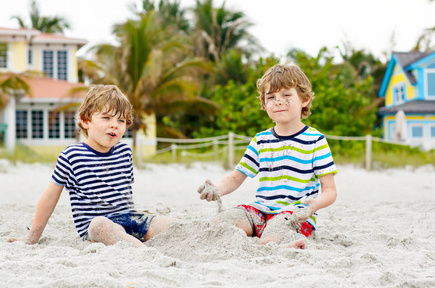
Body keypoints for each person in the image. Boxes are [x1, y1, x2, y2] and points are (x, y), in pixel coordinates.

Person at [7, 85, 171, 248]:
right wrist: (32, 237)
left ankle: (134, 240)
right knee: (99, 225)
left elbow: (125, 195)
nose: (114, 124)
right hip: (99, 227)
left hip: (130, 218)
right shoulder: (72, 156)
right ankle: (141, 250)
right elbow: (50, 197)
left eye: (121, 120)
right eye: (106, 118)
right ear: (85, 121)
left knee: (166, 224)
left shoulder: (125, 151)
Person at [198, 64, 337, 249]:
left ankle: (286, 247)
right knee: (219, 224)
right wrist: (216, 189)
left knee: (270, 239)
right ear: (264, 104)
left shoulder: (315, 141)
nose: (278, 102)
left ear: (304, 100)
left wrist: (314, 205)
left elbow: (330, 191)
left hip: (295, 215)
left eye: (287, 96)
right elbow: (235, 178)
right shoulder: (261, 140)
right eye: (271, 97)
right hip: (260, 210)